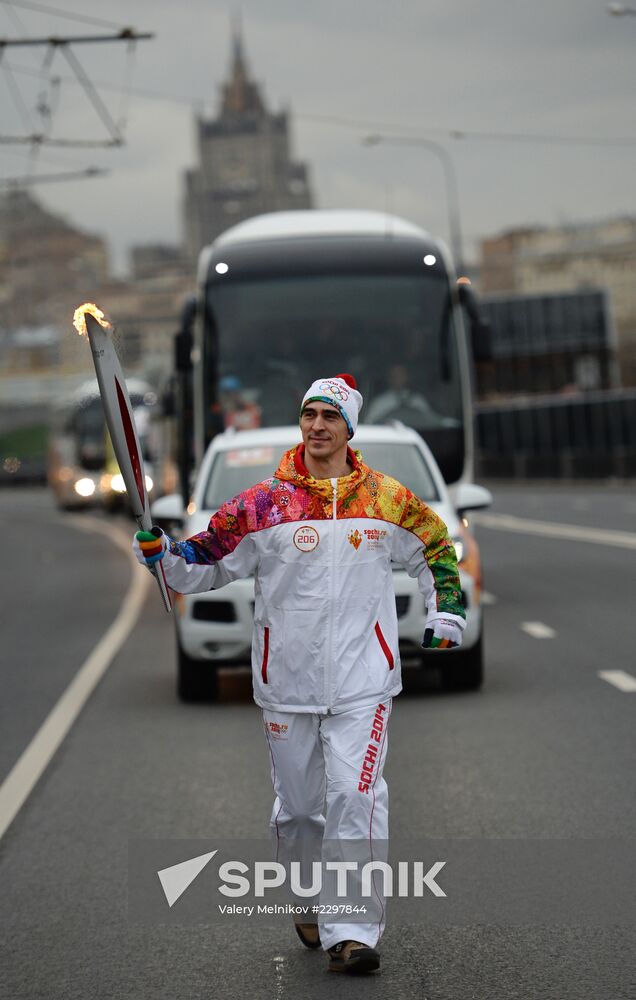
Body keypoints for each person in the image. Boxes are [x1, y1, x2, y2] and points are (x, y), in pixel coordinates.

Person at [133, 373, 465, 975]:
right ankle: (307, 896)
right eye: (309, 415)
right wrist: (165, 556)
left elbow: (435, 549)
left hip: (365, 680)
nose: (316, 426)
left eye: (329, 417)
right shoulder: (264, 503)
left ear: (348, 429)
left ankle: (352, 931)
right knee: (301, 810)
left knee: (355, 796)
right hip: (286, 681)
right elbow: (205, 561)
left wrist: (446, 610)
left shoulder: (385, 500)